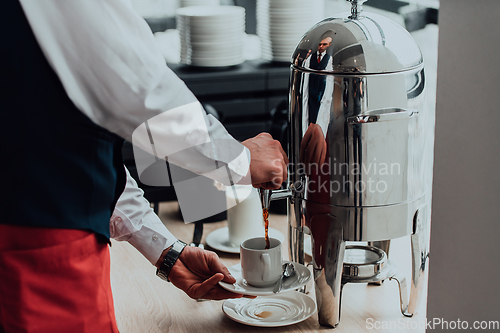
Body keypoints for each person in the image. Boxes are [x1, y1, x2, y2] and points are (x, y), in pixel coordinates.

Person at [0, 1, 288, 332]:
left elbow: (61, 142)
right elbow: (139, 88)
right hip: (35, 256)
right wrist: (239, 160)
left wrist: (166, 251)